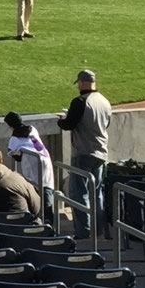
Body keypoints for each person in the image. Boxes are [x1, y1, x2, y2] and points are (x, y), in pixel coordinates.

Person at [56, 69, 113, 220]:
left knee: (78, 193)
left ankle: (84, 230)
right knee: (97, 192)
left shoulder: (80, 101)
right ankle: (98, 228)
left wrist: (59, 121)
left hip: (83, 152)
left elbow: (68, 124)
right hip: (101, 152)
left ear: (81, 83)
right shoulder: (104, 101)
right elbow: (106, 124)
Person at [5, 111, 55, 216]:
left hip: (32, 164)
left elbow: (15, 156)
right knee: (46, 189)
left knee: (35, 191)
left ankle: (41, 219)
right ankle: (49, 220)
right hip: (44, 159)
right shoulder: (32, 129)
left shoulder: (14, 138)